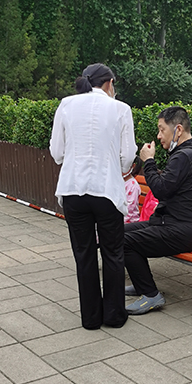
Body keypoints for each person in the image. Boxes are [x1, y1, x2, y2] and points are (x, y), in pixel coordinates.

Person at [49, 63, 137, 330]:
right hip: (107, 191)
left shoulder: (66, 105)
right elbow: (128, 157)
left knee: (84, 255)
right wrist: (114, 167)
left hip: (73, 189)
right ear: (109, 83)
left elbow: (57, 153)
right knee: (113, 254)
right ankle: (114, 315)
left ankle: (90, 319)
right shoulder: (121, 109)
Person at [124, 106, 192, 315]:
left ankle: (151, 295)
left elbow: (161, 190)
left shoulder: (185, 156)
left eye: (161, 129)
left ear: (178, 130)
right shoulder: (190, 154)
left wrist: (148, 162)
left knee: (123, 241)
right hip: (171, 224)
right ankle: (141, 284)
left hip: (181, 231)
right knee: (117, 233)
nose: (159, 136)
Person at [123, 156, 142, 224]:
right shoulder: (118, 181)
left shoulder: (133, 186)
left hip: (129, 221)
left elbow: (129, 209)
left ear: (132, 166)